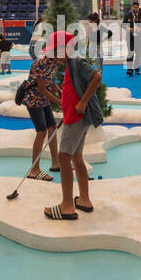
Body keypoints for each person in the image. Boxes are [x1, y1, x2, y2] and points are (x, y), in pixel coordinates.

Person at [45, 31, 104, 220]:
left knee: (64, 157)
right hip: (74, 115)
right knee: (76, 156)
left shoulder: (76, 61)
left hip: (76, 117)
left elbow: (97, 77)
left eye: (54, 52)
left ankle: (67, 206)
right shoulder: (70, 64)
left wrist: (83, 102)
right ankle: (84, 200)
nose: (53, 56)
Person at [20, 45, 62, 179]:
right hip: (34, 100)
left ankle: (56, 163)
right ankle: (34, 170)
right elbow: (42, 88)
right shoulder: (40, 64)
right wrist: (59, 102)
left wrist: (58, 90)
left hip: (43, 101)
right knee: (41, 131)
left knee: (52, 127)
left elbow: (51, 81)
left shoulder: (54, 64)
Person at [125, 2, 141, 76]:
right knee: (130, 53)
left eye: (137, 7)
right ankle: (129, 69)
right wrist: (129, 29)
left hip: (139, 37)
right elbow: (123, 25)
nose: (135, 8)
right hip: (130, 37)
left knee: (138, 54)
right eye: (134, 7)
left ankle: (137, 69)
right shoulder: (127, 16)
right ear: (132, 7)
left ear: (138, 8)